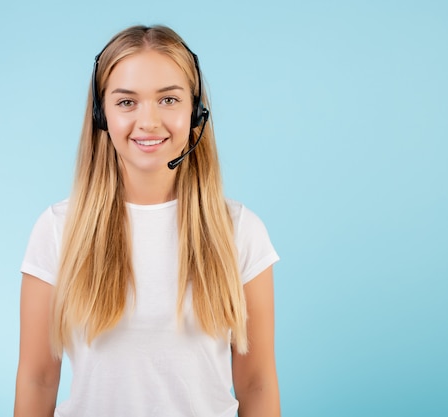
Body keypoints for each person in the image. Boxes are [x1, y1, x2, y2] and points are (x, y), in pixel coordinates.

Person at [14, 25, 281, 417]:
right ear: (101, 114)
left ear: (196, 112)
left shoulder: (241, 231)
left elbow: (256, 383)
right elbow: (38, 378)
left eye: (168, 99)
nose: (149, 121)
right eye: (127, 102)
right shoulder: (57, 230)